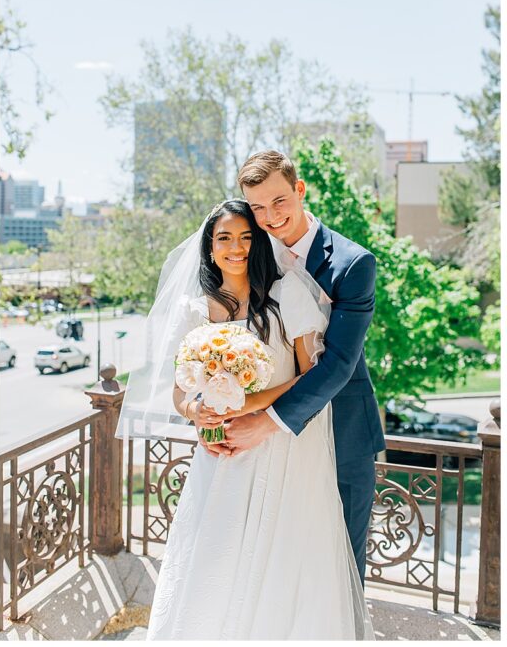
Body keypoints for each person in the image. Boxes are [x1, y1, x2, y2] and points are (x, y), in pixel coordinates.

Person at [122, 199, 373, 639]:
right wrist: (197, 414)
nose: (235, 247)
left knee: (279, 557)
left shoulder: (289, 292)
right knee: (217, 558)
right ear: (210, 246)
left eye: (245, 236)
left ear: (259, 243)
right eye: (224, 238)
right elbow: (181, 391)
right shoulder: (194, 310)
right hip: (220, 454)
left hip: (280, 447)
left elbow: (311, 377)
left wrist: (249, 406)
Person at [229, 150, 386, 582]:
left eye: (279, 201)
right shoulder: (252, 253)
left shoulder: (353, 264)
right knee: (281, 565)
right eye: (257, 207)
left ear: (299, 190)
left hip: (342, 432)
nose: (270, 216)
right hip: (276, 451)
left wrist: (265, 421)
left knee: (341, 570)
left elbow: (337, 363)